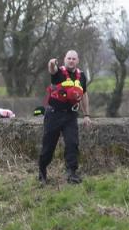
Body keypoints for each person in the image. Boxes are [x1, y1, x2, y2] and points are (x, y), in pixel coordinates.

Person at [38, 50, 91, 185]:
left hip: (71, 115)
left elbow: (84, 95)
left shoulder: (82, 76)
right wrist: (51, 63)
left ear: (77, 61)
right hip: (54, 114)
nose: (71, 61)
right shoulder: (58, 72)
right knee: (48, 146)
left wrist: (86, 115)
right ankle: (42, 172)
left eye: (74, 58)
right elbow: (52, 69)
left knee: (72, 144)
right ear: (64, 59)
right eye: (69, 58)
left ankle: (71, 173)